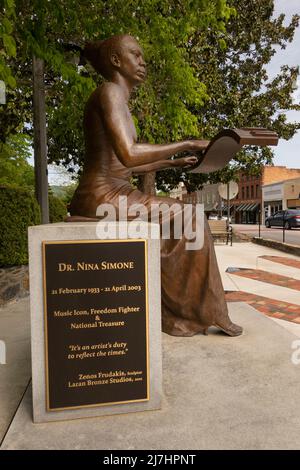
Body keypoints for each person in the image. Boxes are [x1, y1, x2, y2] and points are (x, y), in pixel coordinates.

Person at [69, 34, 243, 337]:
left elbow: (127, 164)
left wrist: (171, 164)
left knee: (184, 220)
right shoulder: (110, 92)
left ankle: (182, 312)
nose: (143, 62)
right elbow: (129, 153)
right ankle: (198, 312)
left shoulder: (117, 99)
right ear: (115, 60)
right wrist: (185, 143)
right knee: (190, 218)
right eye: (135, 55)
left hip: (114, 192)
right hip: (103, 196)